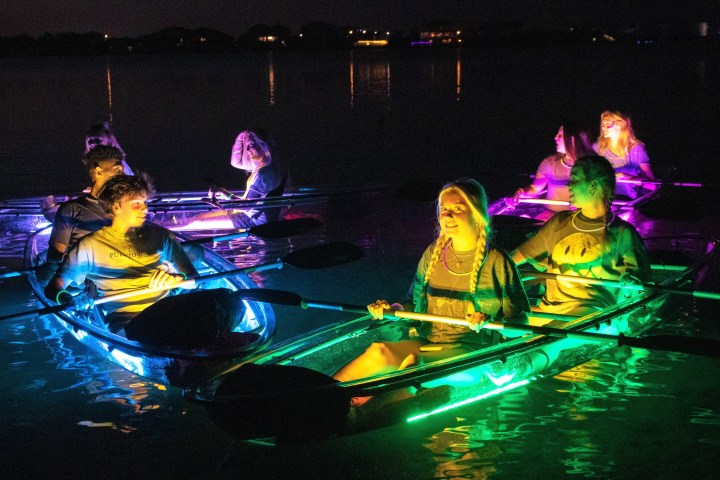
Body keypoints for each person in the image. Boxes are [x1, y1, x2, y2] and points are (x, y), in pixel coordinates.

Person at [333, 178, 531, 392]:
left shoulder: (497, 261)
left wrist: (489, 321)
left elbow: (521, 325)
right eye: (444, 209)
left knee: (413, 366)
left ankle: (361, 417)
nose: (448, 215)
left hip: (473, 355)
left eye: (458, 208)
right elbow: (411, 304)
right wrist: (392, 310)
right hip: (428, 342)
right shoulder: (433, 254)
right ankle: (329, 398)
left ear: (477, 214)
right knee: (378, 351)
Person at [44, 174, 199, 335]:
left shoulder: (162, 236)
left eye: (145, 202)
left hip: (167, 310)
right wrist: (69, 299)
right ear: (116, 207)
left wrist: (178, 280)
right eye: (136, 203)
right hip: (127, 322)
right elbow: (52, 289)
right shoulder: (89, 245)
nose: (145, 208)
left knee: (224, 298)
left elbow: (194, 279)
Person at [511, 155, 651, 316]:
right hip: (549, 311)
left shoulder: (623, 234)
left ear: (593, 186)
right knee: (505, 317)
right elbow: (515, 257)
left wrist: (632, 286)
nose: (568, 185)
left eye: (575, 180)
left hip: (594, 314)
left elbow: (643, 289)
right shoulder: (559, 223)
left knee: (551, 330)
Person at [38, 146, 126, 284]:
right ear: (98, 171)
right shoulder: (71, 209)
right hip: (83, 282)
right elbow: (54, 257)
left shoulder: (125, 208)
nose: (123, 175)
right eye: (118, 170)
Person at [505, 122, 593, 221]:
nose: (555, 138)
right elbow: (535, 189)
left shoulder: (591, 165)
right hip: (551, 216)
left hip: (580, 217)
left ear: (572, 140)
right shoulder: (549, 163)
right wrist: (520, 192)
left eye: (560, 135)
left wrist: (583, 205)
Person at [208, 130, 286, 228]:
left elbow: (246, 206)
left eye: (251, 145)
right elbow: (235, 163)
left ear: (263, 145)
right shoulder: (266, 166)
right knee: (199, 218)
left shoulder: (263, 175)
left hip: (256, 222)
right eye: (246, 146)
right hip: (253, 217)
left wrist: (223, 192)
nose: (248, 150)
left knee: (198, 221)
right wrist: (240, 139)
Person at [593, 110, 655, 198]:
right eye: (603, 124)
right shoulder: (597, 148)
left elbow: (652, 185)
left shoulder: (636, 149)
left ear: (621, 124)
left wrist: (625, 176)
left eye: (608, 124)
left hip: (628, 203)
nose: (604, 127)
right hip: (602, 202)